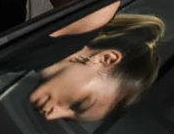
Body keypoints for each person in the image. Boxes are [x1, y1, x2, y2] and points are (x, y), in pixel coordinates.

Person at [29, 13, 165, 122]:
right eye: (78, 104)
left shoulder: (22, 62)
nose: (50, 116)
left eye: (67, 119)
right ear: (105, 59)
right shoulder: (88, 17)